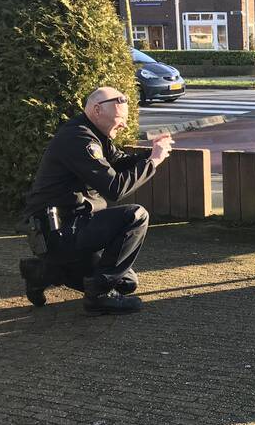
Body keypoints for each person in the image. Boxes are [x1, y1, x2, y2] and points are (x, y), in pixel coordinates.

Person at [20, 86, 173, 314]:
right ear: (97, 110)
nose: (123, 125)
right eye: (120, 119)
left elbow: (119, 163)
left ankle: (43, 271)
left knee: (126, 283)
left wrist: (150, 154)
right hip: (58, 231)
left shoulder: (95, 134)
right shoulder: (79, 138)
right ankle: (98, 297)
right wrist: (153, 162)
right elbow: (115, 188)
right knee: (135, 215)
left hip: (72, 227)